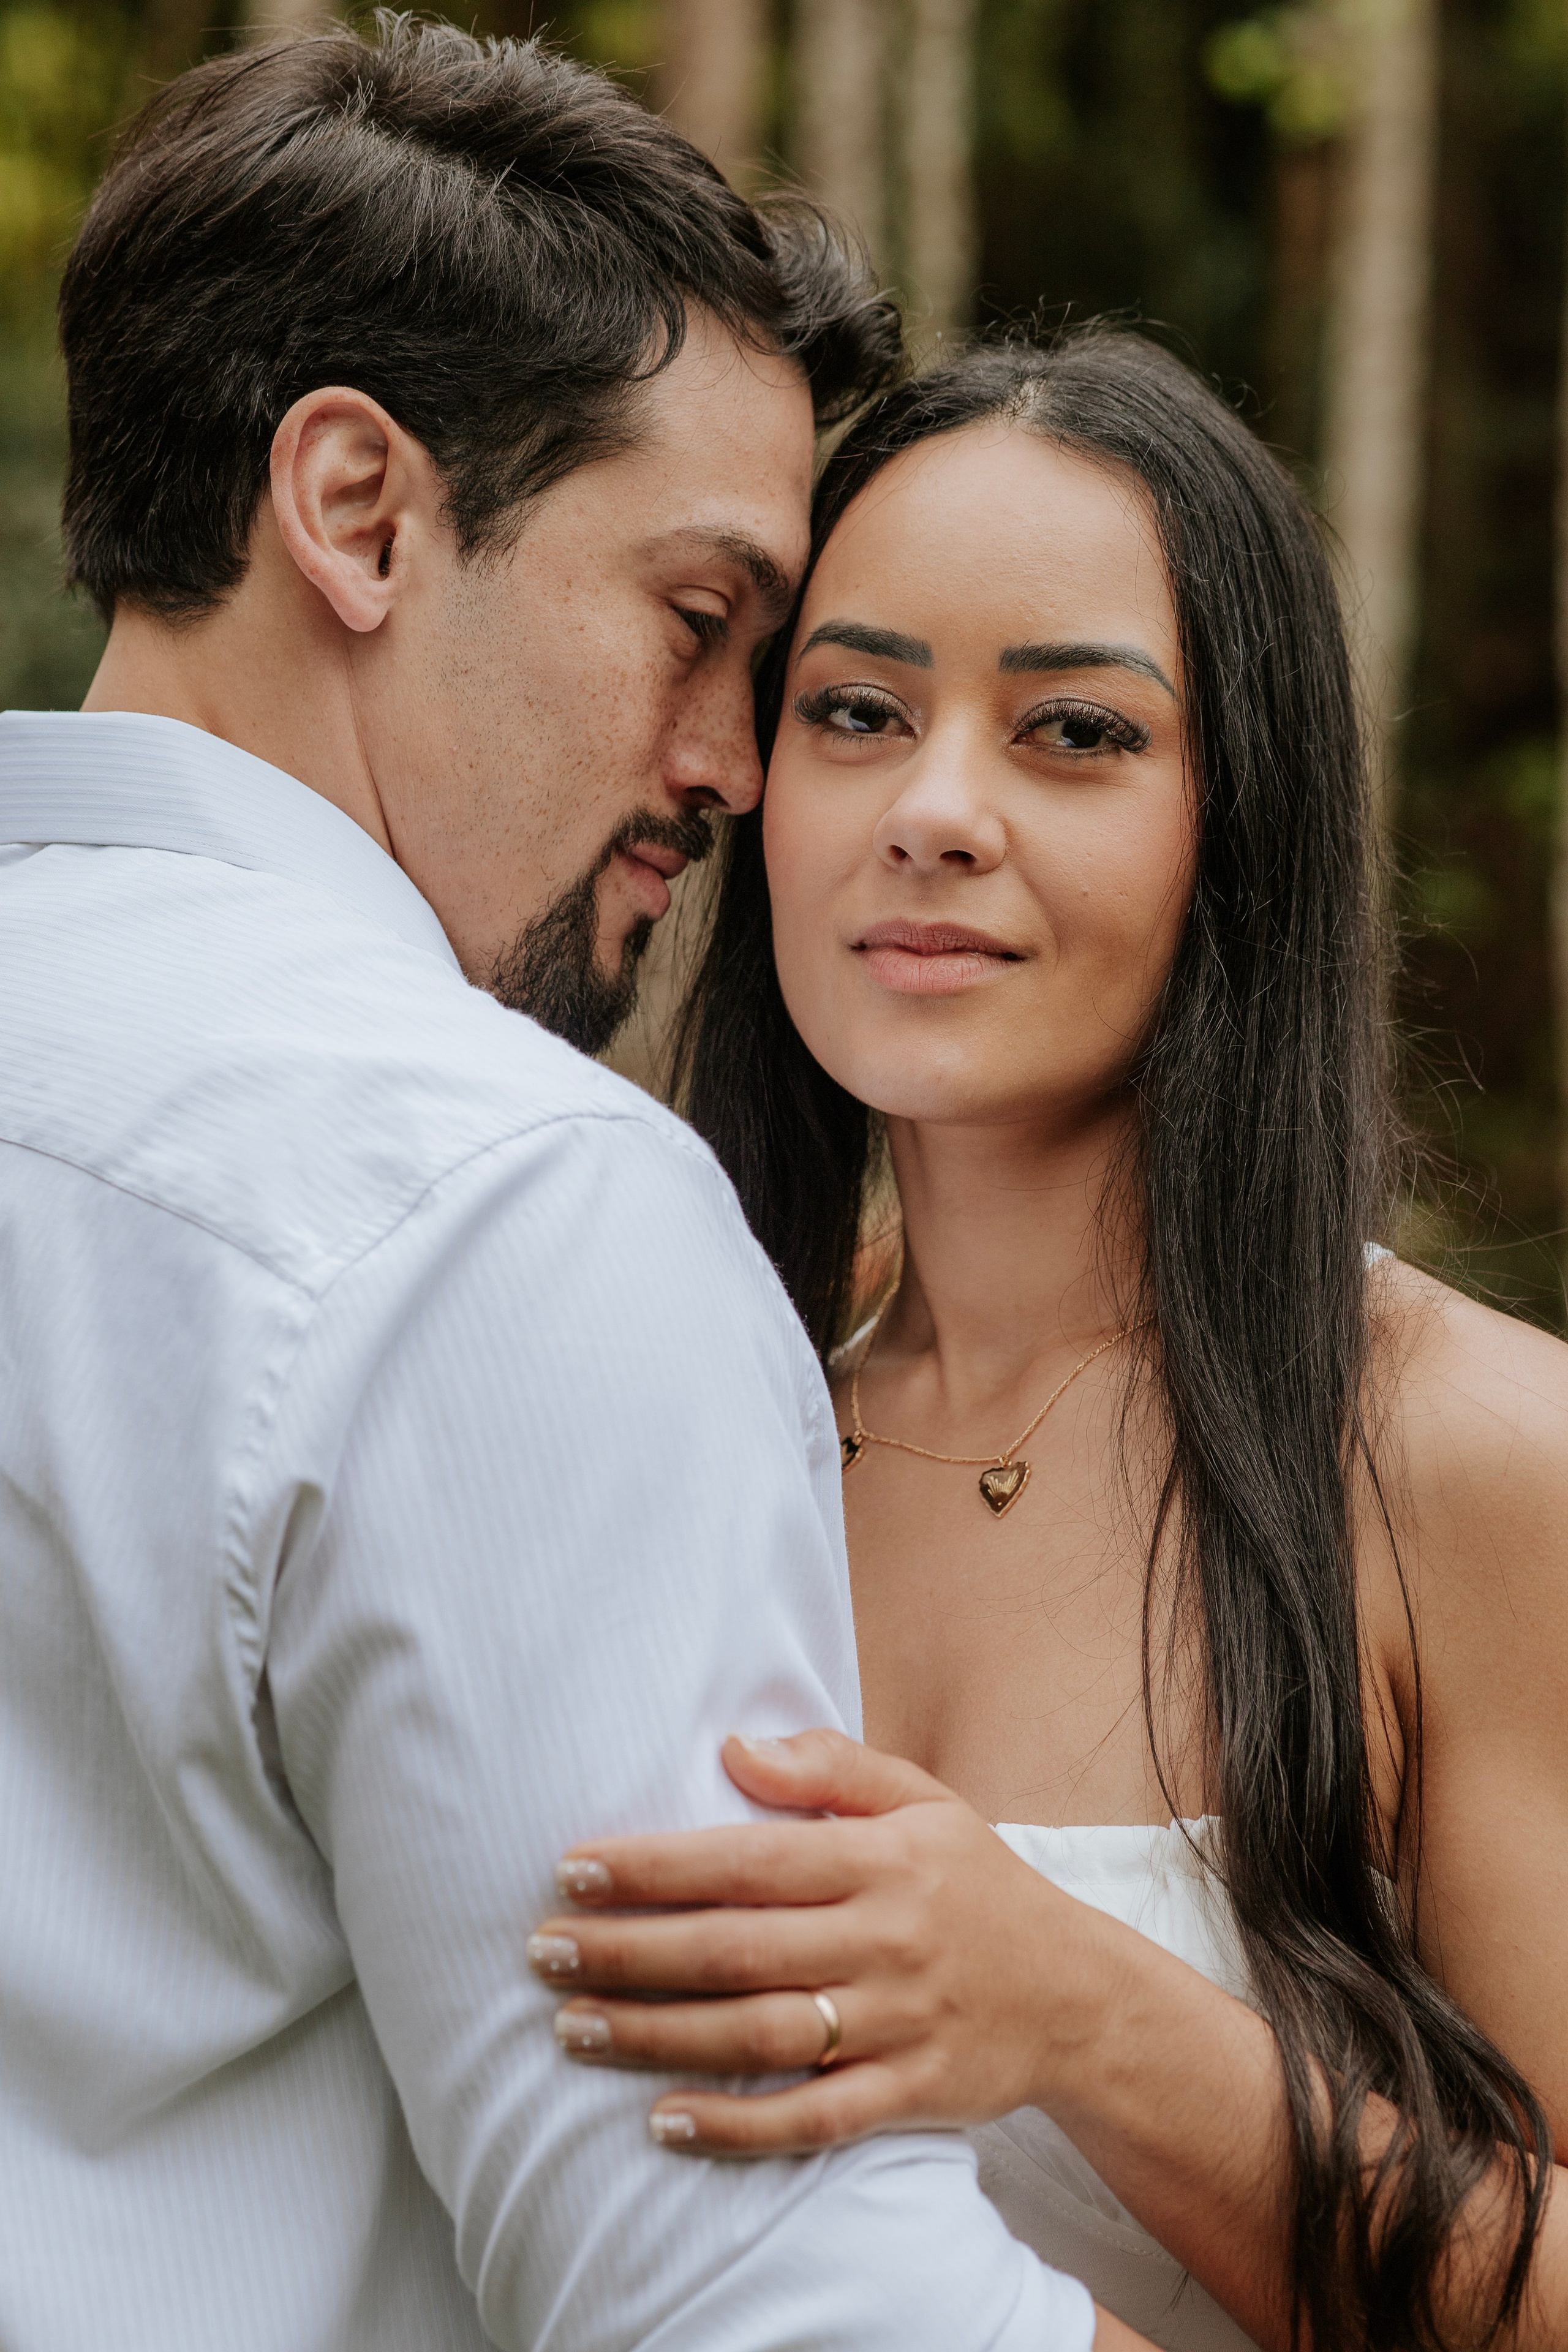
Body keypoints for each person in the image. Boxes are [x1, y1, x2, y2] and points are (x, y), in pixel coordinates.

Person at [0, 28, 1145, 2351]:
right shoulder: (504, 1202)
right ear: (359, 509)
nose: (729, 769)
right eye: (699, 622)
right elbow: (762, 2315)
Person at [527, 335, 1568, 2351]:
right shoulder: (680, 1437)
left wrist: (1073, 2007)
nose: (933, 810)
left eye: (1073, 733)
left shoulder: (1470, 1458)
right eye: (855, 710)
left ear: (1237, 818)